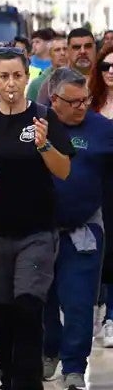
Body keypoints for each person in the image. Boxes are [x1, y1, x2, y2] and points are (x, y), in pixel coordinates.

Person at [0, 48, 73, 390]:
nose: (10, 83)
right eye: (4, 76)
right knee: (1, 315)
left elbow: (63, 170)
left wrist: (45, 145)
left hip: (35, 232)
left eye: (17, 76)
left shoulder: (44, 117)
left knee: (29, 309)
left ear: (27, 76)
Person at [44, 68, 113, 390]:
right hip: (39, 230)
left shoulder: (103, 130)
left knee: (79, 301)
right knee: (40, 297)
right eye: (72, 102)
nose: (81, 106)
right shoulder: (37, 128)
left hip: (85, 228)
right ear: (53, 100)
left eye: (84, 100)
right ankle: (50, 348)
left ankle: (74, 366)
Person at [90, 45, 113, 348]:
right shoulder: (92, 104)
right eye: (106, 66)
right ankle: (97, 309)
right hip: (97, 188)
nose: (111, 72)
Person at [27, 32, 73, 102]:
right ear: (50, 55)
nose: (62, 53)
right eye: (57, 50)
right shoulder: (37, 84)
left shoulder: (80, 78)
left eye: (65, 49)